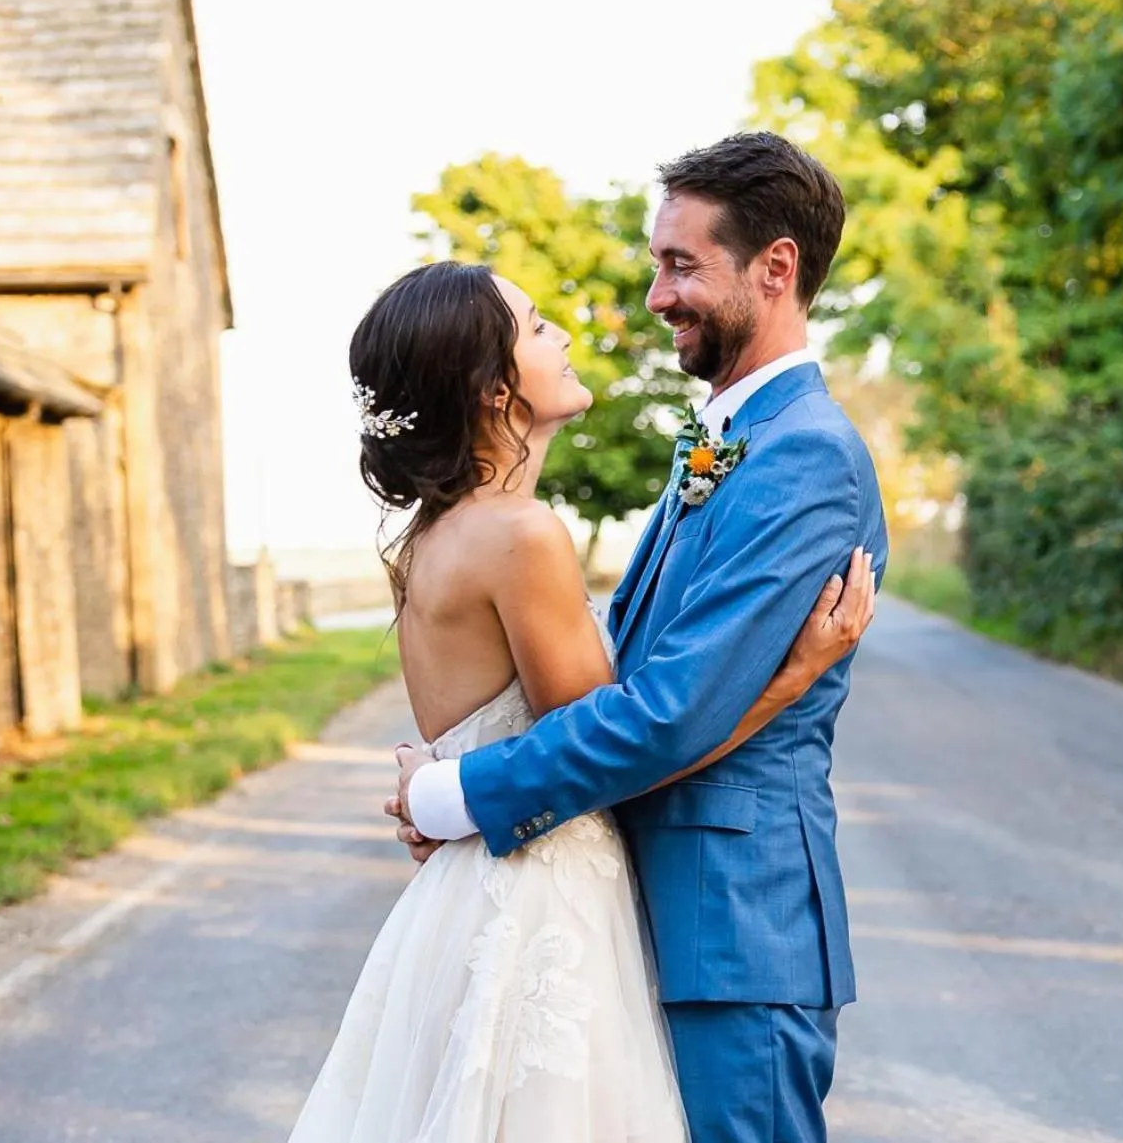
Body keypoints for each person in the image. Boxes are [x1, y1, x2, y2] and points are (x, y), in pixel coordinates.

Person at [288, 243, 877, 1141]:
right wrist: (789, 679)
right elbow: (628, 742)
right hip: (544, 903)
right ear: (495, 388)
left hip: (476, 899)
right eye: (535, 325)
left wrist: (447, 794)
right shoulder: (523, 534)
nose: (563, 333)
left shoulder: (431, 540)